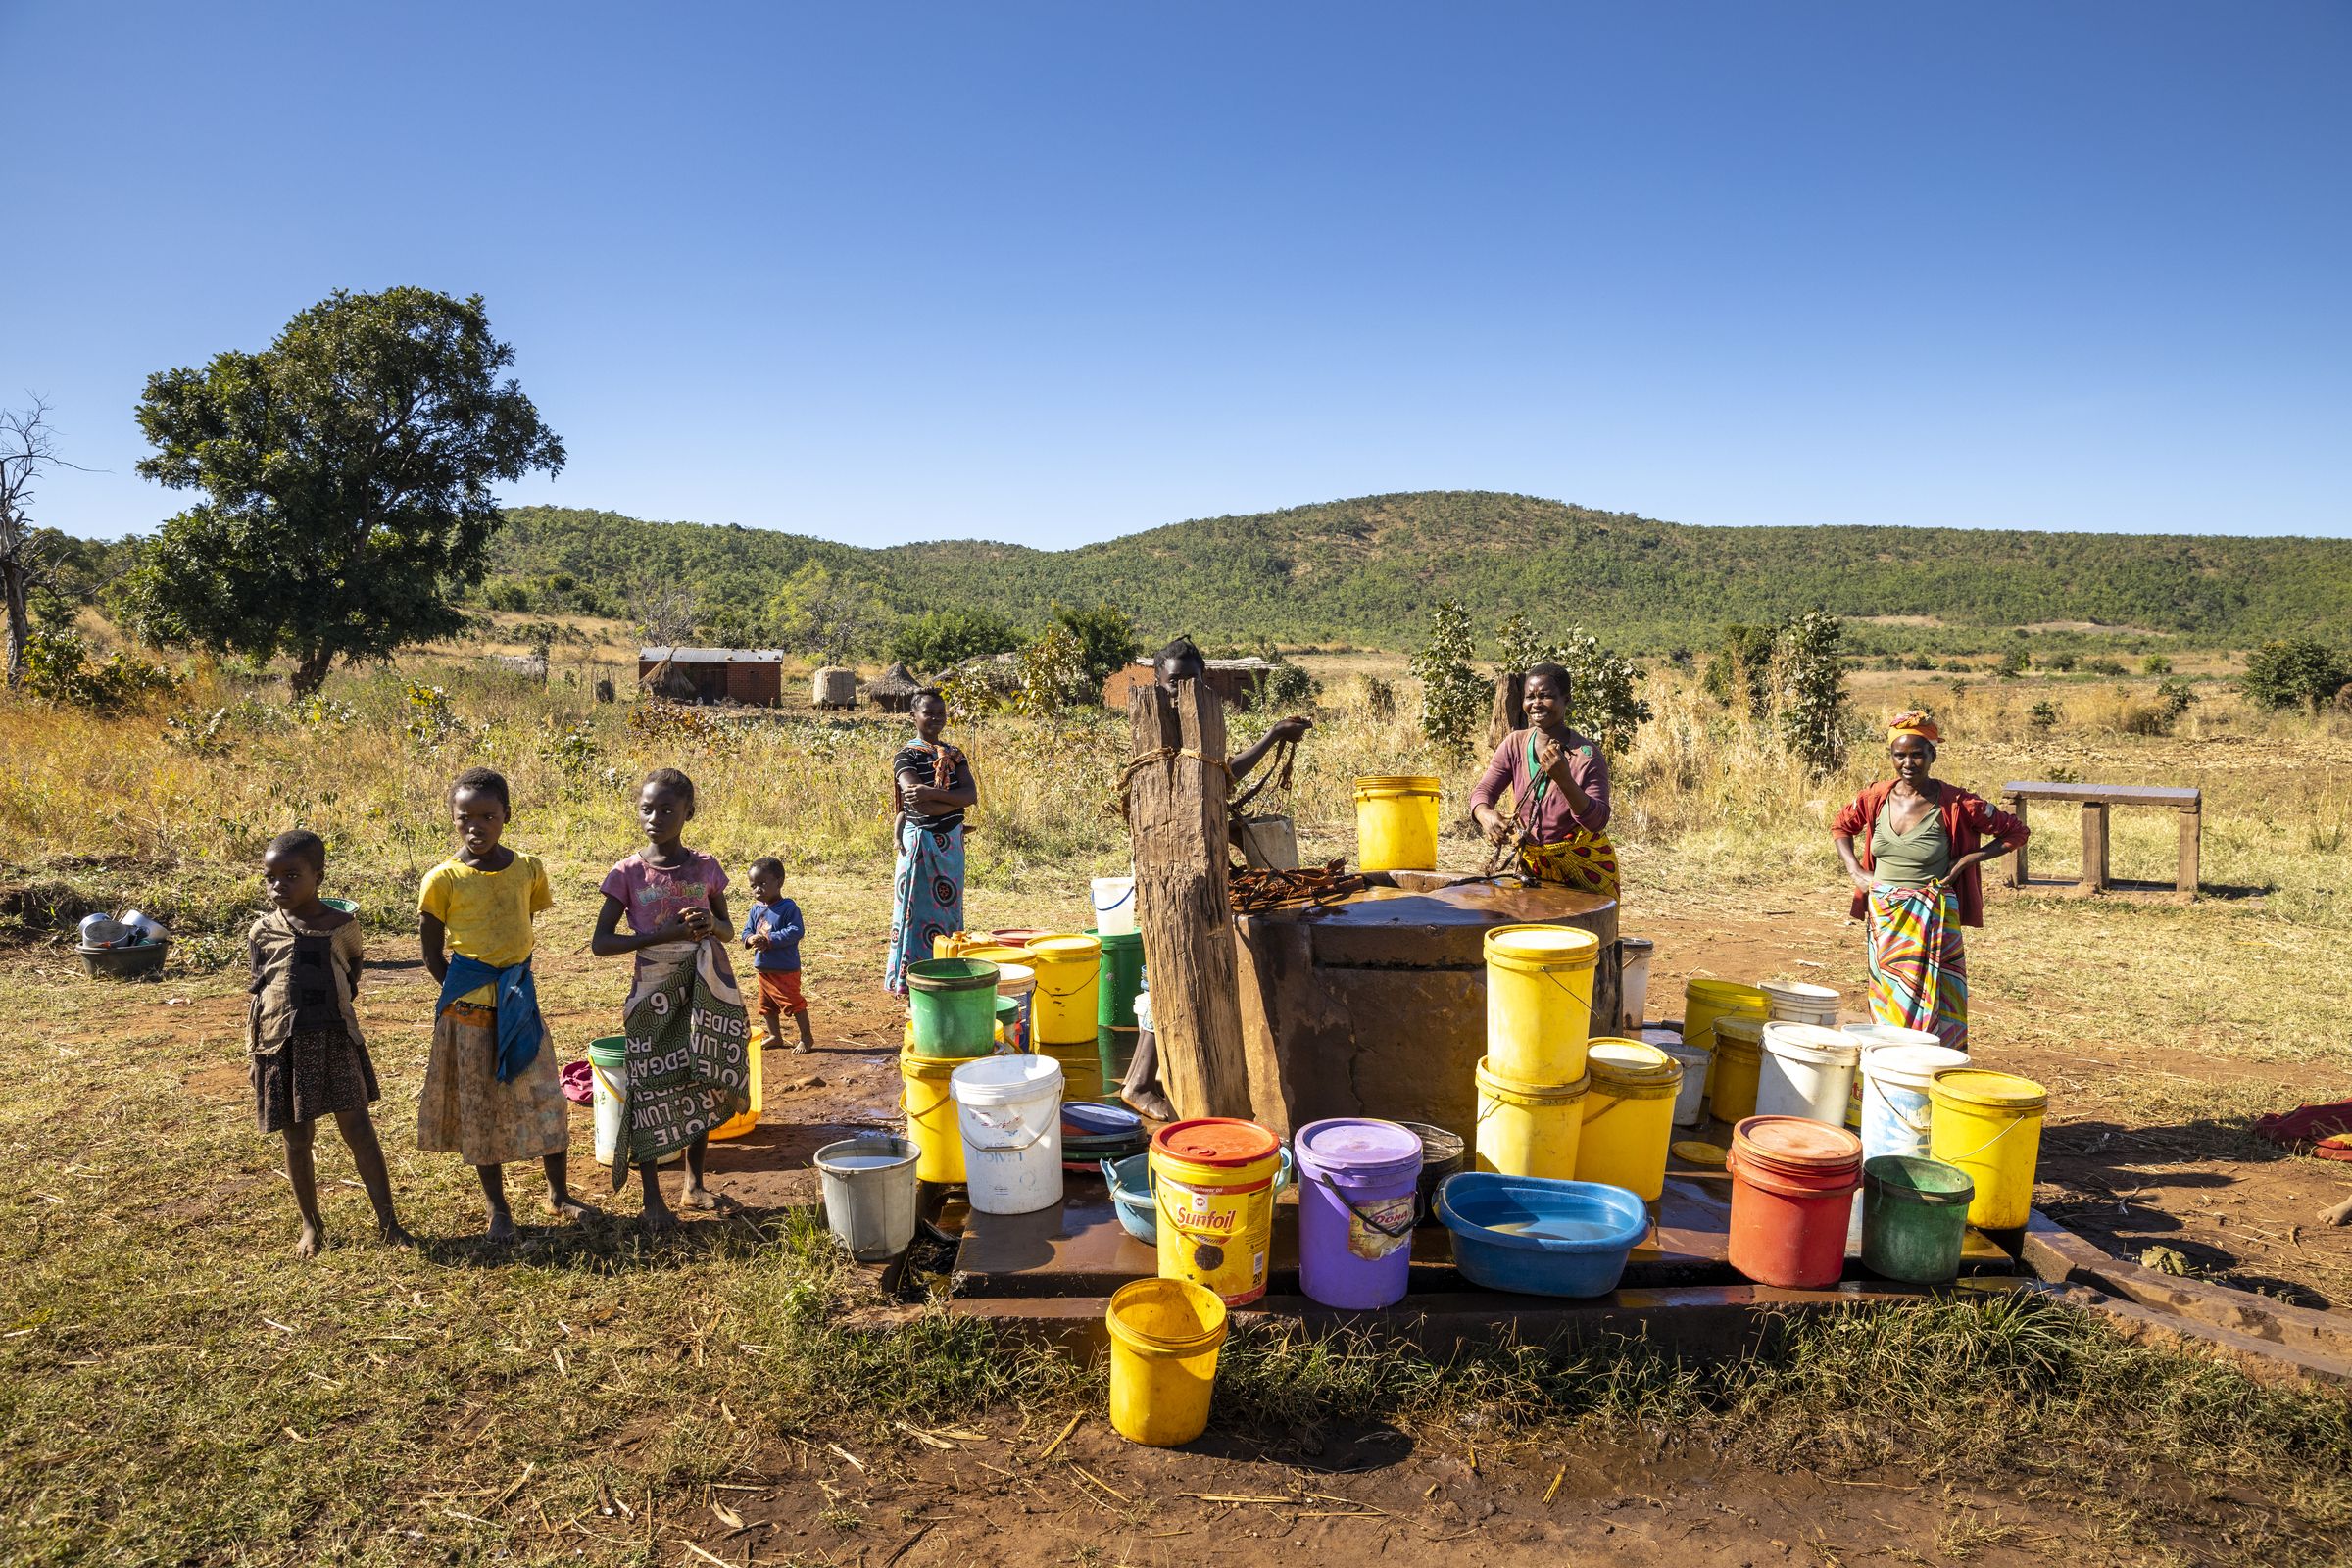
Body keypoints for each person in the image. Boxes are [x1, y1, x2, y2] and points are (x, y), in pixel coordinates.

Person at [1117, 637, 1312, 1120]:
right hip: (1168, 876)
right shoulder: (1157, 731)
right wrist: (1269, 739)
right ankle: (1139, 1083)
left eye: (1195, 681)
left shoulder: (1198, 727)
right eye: (1175, 681)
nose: (1186, 690)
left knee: (1182, 975)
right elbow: (1201, 787)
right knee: (1162, 977)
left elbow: (1216, 777)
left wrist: (1270, 737)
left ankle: (1159, 1077)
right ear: (1157, 683)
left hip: (1198, 874)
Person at [418, 768, 595, 1244]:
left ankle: (558, 1194)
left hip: (521, 1003)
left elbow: (522, 919)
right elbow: (433, 956)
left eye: (488, 816)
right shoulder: (442, 880)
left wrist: (507, 986)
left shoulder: (528, 869)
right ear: (453, 820)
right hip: (469, 1014)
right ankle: (499, 1210)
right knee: (481, 1112)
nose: (476, 826)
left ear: (506, 817)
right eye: (465, 818)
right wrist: (471, 990)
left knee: (546, 1098)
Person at [593, 767, 742, 1232]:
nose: (654, 817)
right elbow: (601, 942)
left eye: (667, 810)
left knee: (699, 1079)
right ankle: (652, 1196)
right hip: (652, 988)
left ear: (688, 814)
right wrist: (661, 935)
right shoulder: (627, 873)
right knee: (650, 1090)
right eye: (647, 809)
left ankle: (694, 1184)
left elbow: (729, 929)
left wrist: (707, 925)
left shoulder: (706, 868)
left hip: (703, 987)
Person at [248, 830, 410, 1256]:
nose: (278, 885)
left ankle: (389, 1222)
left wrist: (345, 993)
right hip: (282, 1044)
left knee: (358, 1128)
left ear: (318, 876)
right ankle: (311, 1225)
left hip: (336, 1039)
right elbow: (260, 991)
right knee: (297, 1137)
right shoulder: (262, 931)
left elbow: (354, 962)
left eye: (291, 875)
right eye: (270, 877)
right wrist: (256, 1054)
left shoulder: (342, 926)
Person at [1831, 711, 2030, 1053]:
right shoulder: (1875, 797)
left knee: (1933, 994)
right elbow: (1841, 827)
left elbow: (2015, 831)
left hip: (1931, 914)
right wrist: (1856, 872)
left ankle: (1930, 1062)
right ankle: (1888, 1059)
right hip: (1884, 914)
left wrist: (1968, 859)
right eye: (1900, 754)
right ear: (1892, 757)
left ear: (1933, 755)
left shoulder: (1957, 802)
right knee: (1888, 991)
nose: (1909, 762)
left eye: (1918, 753)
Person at [1470, 662, 1619, 898]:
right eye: (1530, 696)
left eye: (1546, 696)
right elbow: (1484, 791)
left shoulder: (1586, 755)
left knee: (1581, 933)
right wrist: (1484, 814)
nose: (1536, 703)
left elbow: (1597, 821)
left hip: (1583, 869)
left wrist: (1564, 780)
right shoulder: (1514, 744)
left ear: (1566, 699)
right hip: (1533, 869)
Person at [885, 690, 979, 997]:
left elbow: (971, 796)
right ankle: (913, 984)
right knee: (914, 914)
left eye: (941, 712)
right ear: (914, 717)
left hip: (949, 845)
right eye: (929, 713)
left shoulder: (955, 754)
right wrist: (951, 803)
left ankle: (946, 975)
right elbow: (916, 801)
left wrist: (932, 794)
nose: (937, 718)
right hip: (921, 843)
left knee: (949, 913)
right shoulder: (906, 755)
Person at [740, 856, 813, 1054]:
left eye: (763, 883)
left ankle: (806, 1037)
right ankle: (775, 1036)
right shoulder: (756, 910)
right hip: (763, 967)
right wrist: (751, 939)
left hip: (785, 968)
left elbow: (796, 931)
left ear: (779, 882)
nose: (757, 889)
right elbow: (745, 932)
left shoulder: (788, 907)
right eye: (753, 885)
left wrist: (770, 940)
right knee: (766, 1006)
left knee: (793, 1003)